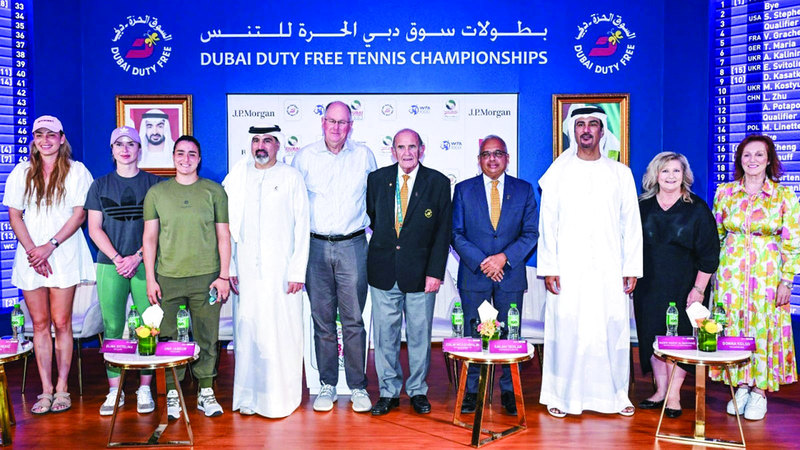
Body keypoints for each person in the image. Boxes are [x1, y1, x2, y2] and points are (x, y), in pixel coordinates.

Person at [537, 105, 643, 418]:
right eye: (580, 124)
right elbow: (548, 224)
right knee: (567, 330)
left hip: (609, 268)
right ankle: (560, 395)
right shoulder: (558, 172)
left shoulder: (620, 173)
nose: (586, 129)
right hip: (567, 269)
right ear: (573, 131)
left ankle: (615, 395)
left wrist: (631, 267)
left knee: (609, 329)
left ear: (602, 130)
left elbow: (630, 224)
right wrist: (550, 268)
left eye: (592, 124)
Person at [2, 115, 95, 414]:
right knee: (39, 325)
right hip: (31, 258)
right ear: (34, 139)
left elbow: (80, 214)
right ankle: (45, 390)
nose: (45, 140)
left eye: (51, 135)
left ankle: (62, 388)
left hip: (63, 255)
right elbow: (14, 215)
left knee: (62, 323)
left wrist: (49, 247)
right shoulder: (21, 172)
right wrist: (34, 252)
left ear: (62, 138)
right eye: (39, 134)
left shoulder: (77, 171)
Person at [291, 101, 377, 413]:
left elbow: (375, 200)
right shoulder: (304, 157)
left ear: (350, 125)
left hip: (353, 244)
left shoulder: (364, 156)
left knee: (353, 319)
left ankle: (357, 386)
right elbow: (294, 206)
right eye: (332, 121)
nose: (337, 128)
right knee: (322, 319)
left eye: (343, 122)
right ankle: (326, 384)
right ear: (323, 122)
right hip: (315, 246)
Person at [710, 135, 800, 420]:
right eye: (747, 154)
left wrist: (787, 280)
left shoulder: (784, 196)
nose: (752, 160)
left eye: (759, 155)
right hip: (730, 275)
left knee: (764, 327)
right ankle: (740, 386)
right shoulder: (725, 193)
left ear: (769, 159)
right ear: (739, 159)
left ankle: (759, 390)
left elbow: (793, 242)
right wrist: (712, 272)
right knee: (733, 326)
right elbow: (715, 236)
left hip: (768, 276)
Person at [223, 125, 310, 418]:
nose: (261, 145)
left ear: (278, 146)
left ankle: (281, 398)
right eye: (256, 140)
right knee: (248, 333)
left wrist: (297, 271)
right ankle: (249, 396)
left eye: (268, 140)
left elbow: (302, 227)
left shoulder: (291, 177)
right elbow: (227, 227)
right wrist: (230, 266)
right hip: (246, 271)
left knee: (282, 332)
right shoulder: (237, 177)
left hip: (282, 273)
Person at [142, 135, 231, 419]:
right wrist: (150, 278)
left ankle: (206, 390)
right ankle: (173, 392)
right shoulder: (157, 193)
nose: (186, 159)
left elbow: (223, 235)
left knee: (207, 335)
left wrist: (224, 275)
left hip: (207, 277)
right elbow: (150, 238)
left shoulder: (214, 191)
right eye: (180, 153)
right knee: (169, 338)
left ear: (199, 159)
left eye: (192, 154)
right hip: (168, 277)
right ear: (173, 157)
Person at [366, 129, 451, 416]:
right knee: (384, 337)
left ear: (421, 149)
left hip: (421, 274)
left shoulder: (438, 182)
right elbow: (374, 219)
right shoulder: (377, 180)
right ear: (392, 151)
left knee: (419, 336)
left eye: (412, 147)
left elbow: (442, 232)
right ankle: (388, 392)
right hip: (383, 270)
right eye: (400, 147)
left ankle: (417, 390)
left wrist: (435, 272)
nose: (406, 153)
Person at [451, 135, 538, 415]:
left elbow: (531, 233)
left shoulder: (523, 190)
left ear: (507, 158)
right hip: (474, 275)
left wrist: (503, 258)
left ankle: (509, 391)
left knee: (510, 334)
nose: (492, 159)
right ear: (479, 159)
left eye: (498, 153)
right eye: (486, 154)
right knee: (474, 333)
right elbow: (456, 233)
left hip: (509, 274)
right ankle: (472, 390)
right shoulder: (463, 190)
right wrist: (483, 262)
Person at [633, 152, 719, 419]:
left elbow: (710, 254)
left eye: (676, 171)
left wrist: (699, 289)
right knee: (652, 335)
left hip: (686, 286)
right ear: (655, 175)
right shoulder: (641, 206)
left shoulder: (697, 208)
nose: (670, 176)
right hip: (648, 285)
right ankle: (660, 391)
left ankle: (674, 395)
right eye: (665, 171)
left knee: (679, 338)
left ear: (684, 176)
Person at [86, 126, 163, 416]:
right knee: (113, 327)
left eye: (131, 143)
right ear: (112, 150)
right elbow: (94, 229)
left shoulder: (155, 184)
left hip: (146, 265)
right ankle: (114, 390)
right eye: (119, 144)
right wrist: (119, 258)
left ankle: (144, 388)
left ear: (139, 149)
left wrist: (137, 256)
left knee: (149, 325)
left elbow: (160, 228)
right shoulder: (99, 185)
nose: (125, 149)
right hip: (111, 265)